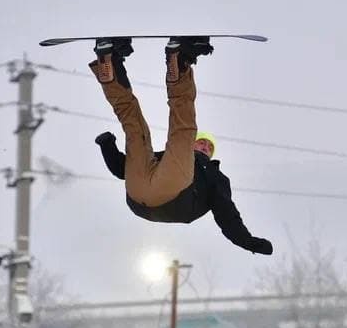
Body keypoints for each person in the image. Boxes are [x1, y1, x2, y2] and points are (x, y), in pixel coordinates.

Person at [89, 36, 273, 255]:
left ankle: (180, 58)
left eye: (208, 147)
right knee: (135, 129)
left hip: (172, 197)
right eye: (202, 144)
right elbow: (124, 170)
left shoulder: (214, 176)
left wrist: (247, 241)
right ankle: (109, 61)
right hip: (140, 196)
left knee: (183, 128)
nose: (204, 147)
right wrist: (108, 146)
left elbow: (226, 213)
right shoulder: (169, 159)